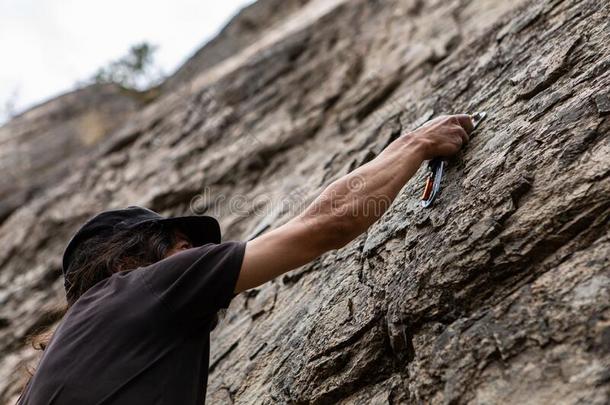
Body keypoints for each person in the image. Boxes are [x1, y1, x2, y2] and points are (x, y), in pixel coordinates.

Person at [17, 115, 474, 404]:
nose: (195, 254)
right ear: (123, 262)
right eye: (179, 243)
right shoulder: (141, 289)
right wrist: (415, 144)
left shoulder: (43, 380)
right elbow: (325, 225)